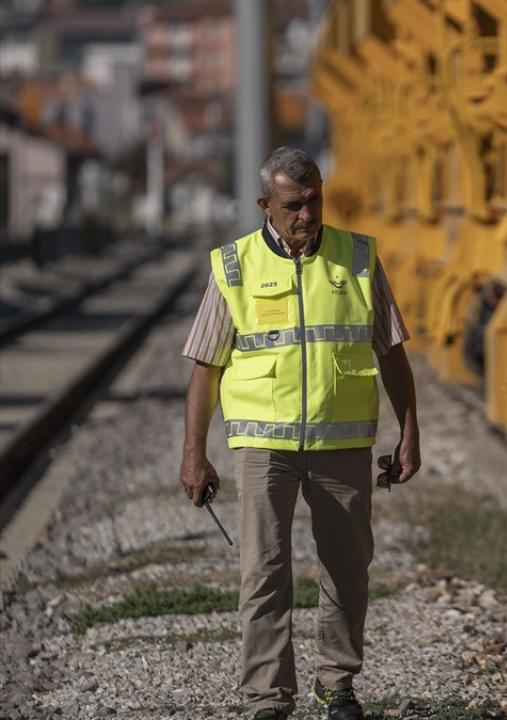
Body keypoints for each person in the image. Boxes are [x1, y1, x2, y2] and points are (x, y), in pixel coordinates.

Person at [178, 147, 421, 720]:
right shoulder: (234, 266)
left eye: (314, 200)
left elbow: (392, 352)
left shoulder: (357, 258)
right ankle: (268, 698)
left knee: (348, 568)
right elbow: (206, 368)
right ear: (266, 204)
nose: (306, 214)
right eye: (292, 205)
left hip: (342, 444)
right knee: (263, 572)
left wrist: (410, 432)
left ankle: (337, 684)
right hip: (263, 446)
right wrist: (195, 454)